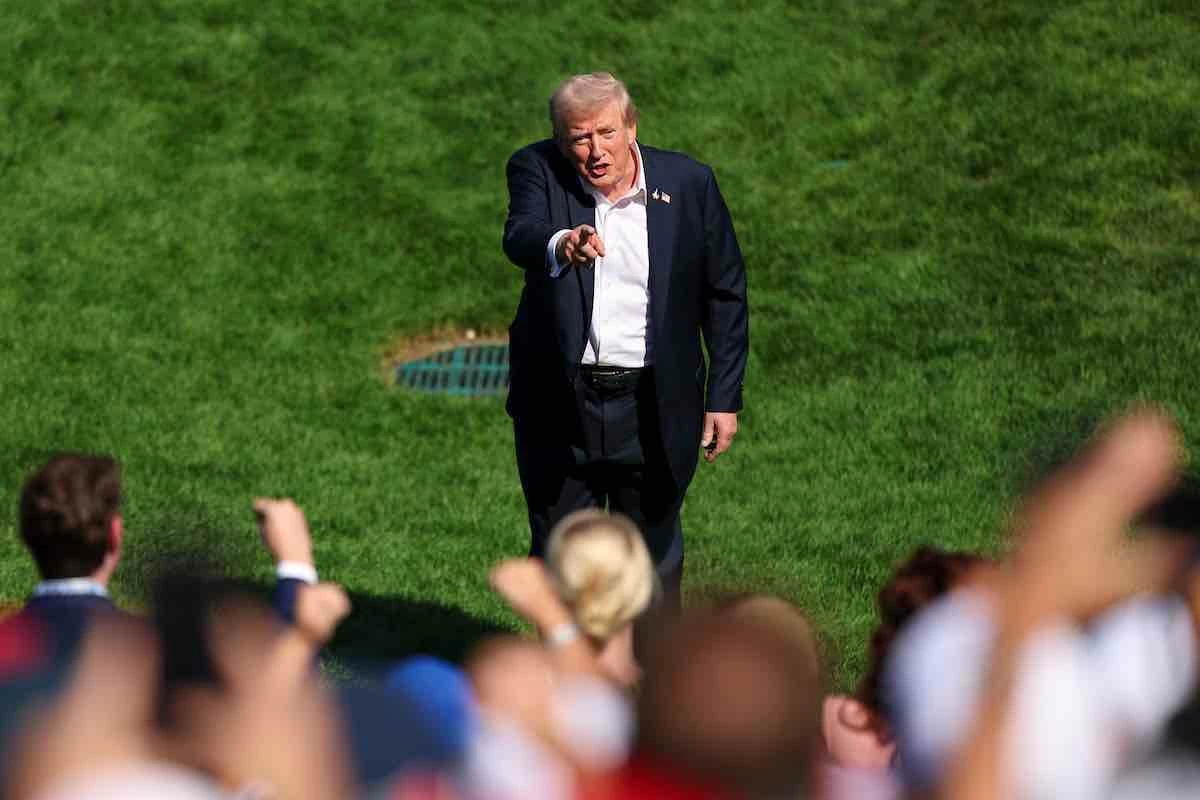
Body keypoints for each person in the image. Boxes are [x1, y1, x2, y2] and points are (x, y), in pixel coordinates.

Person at [502, 71, 750, 602]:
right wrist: (562, 241)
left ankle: (651, 680)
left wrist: (723, 398)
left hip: (654, 405)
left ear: (631, 126)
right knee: (562, 560)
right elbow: (521, 233)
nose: (596, 150)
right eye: (579, 138)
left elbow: (725, 293)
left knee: (653, 563)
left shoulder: (688, 184)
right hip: (561, 406)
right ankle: (572, 681)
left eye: (607, 132)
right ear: (561, 141)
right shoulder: (536, 168)